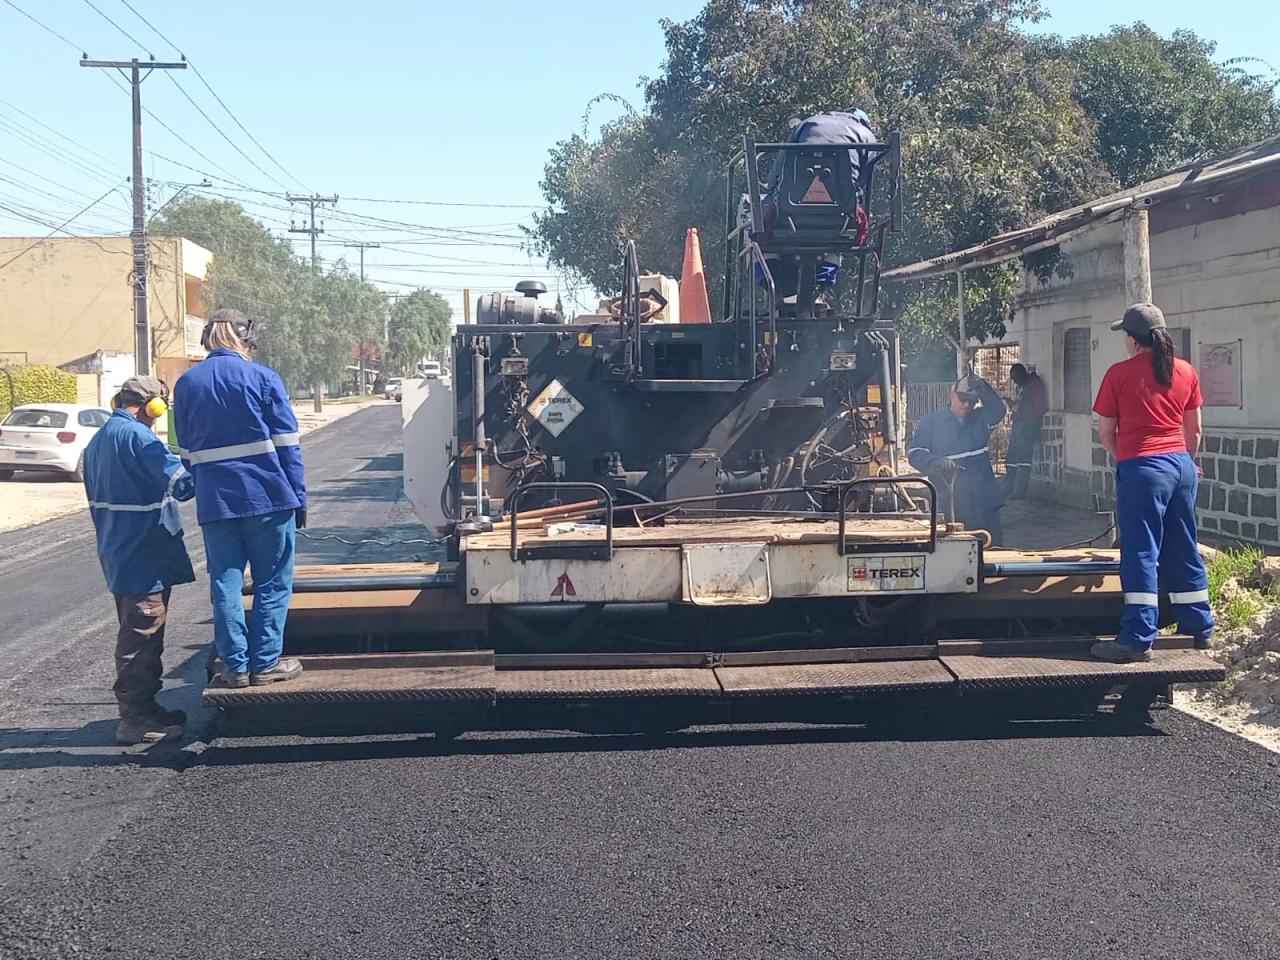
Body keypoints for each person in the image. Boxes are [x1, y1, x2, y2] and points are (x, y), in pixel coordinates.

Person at [174, 309, 306, 688]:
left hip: (216, 504)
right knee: (272, 582)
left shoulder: (186, 384)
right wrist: (298, 498)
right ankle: (264, 663)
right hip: (268, 499)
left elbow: (187, 452)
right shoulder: (263, 378)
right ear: (244, 338)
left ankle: (234, 667)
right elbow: (287, 447)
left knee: (225, 585)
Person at [1090, 302, 1213, 663]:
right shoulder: (1186, 371)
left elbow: (1105, 431)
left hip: (1142, 467)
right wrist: (1183, 464)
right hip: (1181, 466)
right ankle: (1199, 627)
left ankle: (1137, 637)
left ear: (1131, 340)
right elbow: (1196, 429)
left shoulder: (1119, 374)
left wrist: (1126, 458)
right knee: (1183, 544)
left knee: (1141, 551)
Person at [83, 375, 196, 744]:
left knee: (141, 632)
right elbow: (182, 485)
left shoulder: (101, 440)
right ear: (152, 406)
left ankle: (147, 709)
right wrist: (198, 457)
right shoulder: (138, 437)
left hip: (121, 551)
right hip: (142, 553)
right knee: (141, 635)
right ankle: (134, 719)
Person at [757, 108, 877, 309]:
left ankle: (771, 288)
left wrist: (771, 197)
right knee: (837, 231)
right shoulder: (868, 137)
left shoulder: (807, 124)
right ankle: (823, 289)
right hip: (841, 218)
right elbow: (862, 181)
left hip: (790, 214)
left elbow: (779, 168)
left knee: (753, 223)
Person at [908, 372, 1007, 545]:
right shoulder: (931, 422)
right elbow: (915, 453)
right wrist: (934, 462)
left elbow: (998, 410)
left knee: (994, 550)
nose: (967, 404)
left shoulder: (980, 419)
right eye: (963, 399)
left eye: (972, 400)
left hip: (985, 502)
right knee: (957, 552)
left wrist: (984, 388)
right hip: (952, 503)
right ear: (952, 395)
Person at [1002, 363, 1048, 500]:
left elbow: (1040, 407)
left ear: (1022, 374)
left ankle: (1019, 492)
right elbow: (1021, 404)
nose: (1015, 382)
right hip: (1018, 424)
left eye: (1016, 378)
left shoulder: (1034, 384)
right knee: (1011, 457)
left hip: (1028, 426)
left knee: (1023, 459)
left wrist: (1025, 416)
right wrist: (1011, 403)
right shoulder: (1022, 386)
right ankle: (1007, 488)